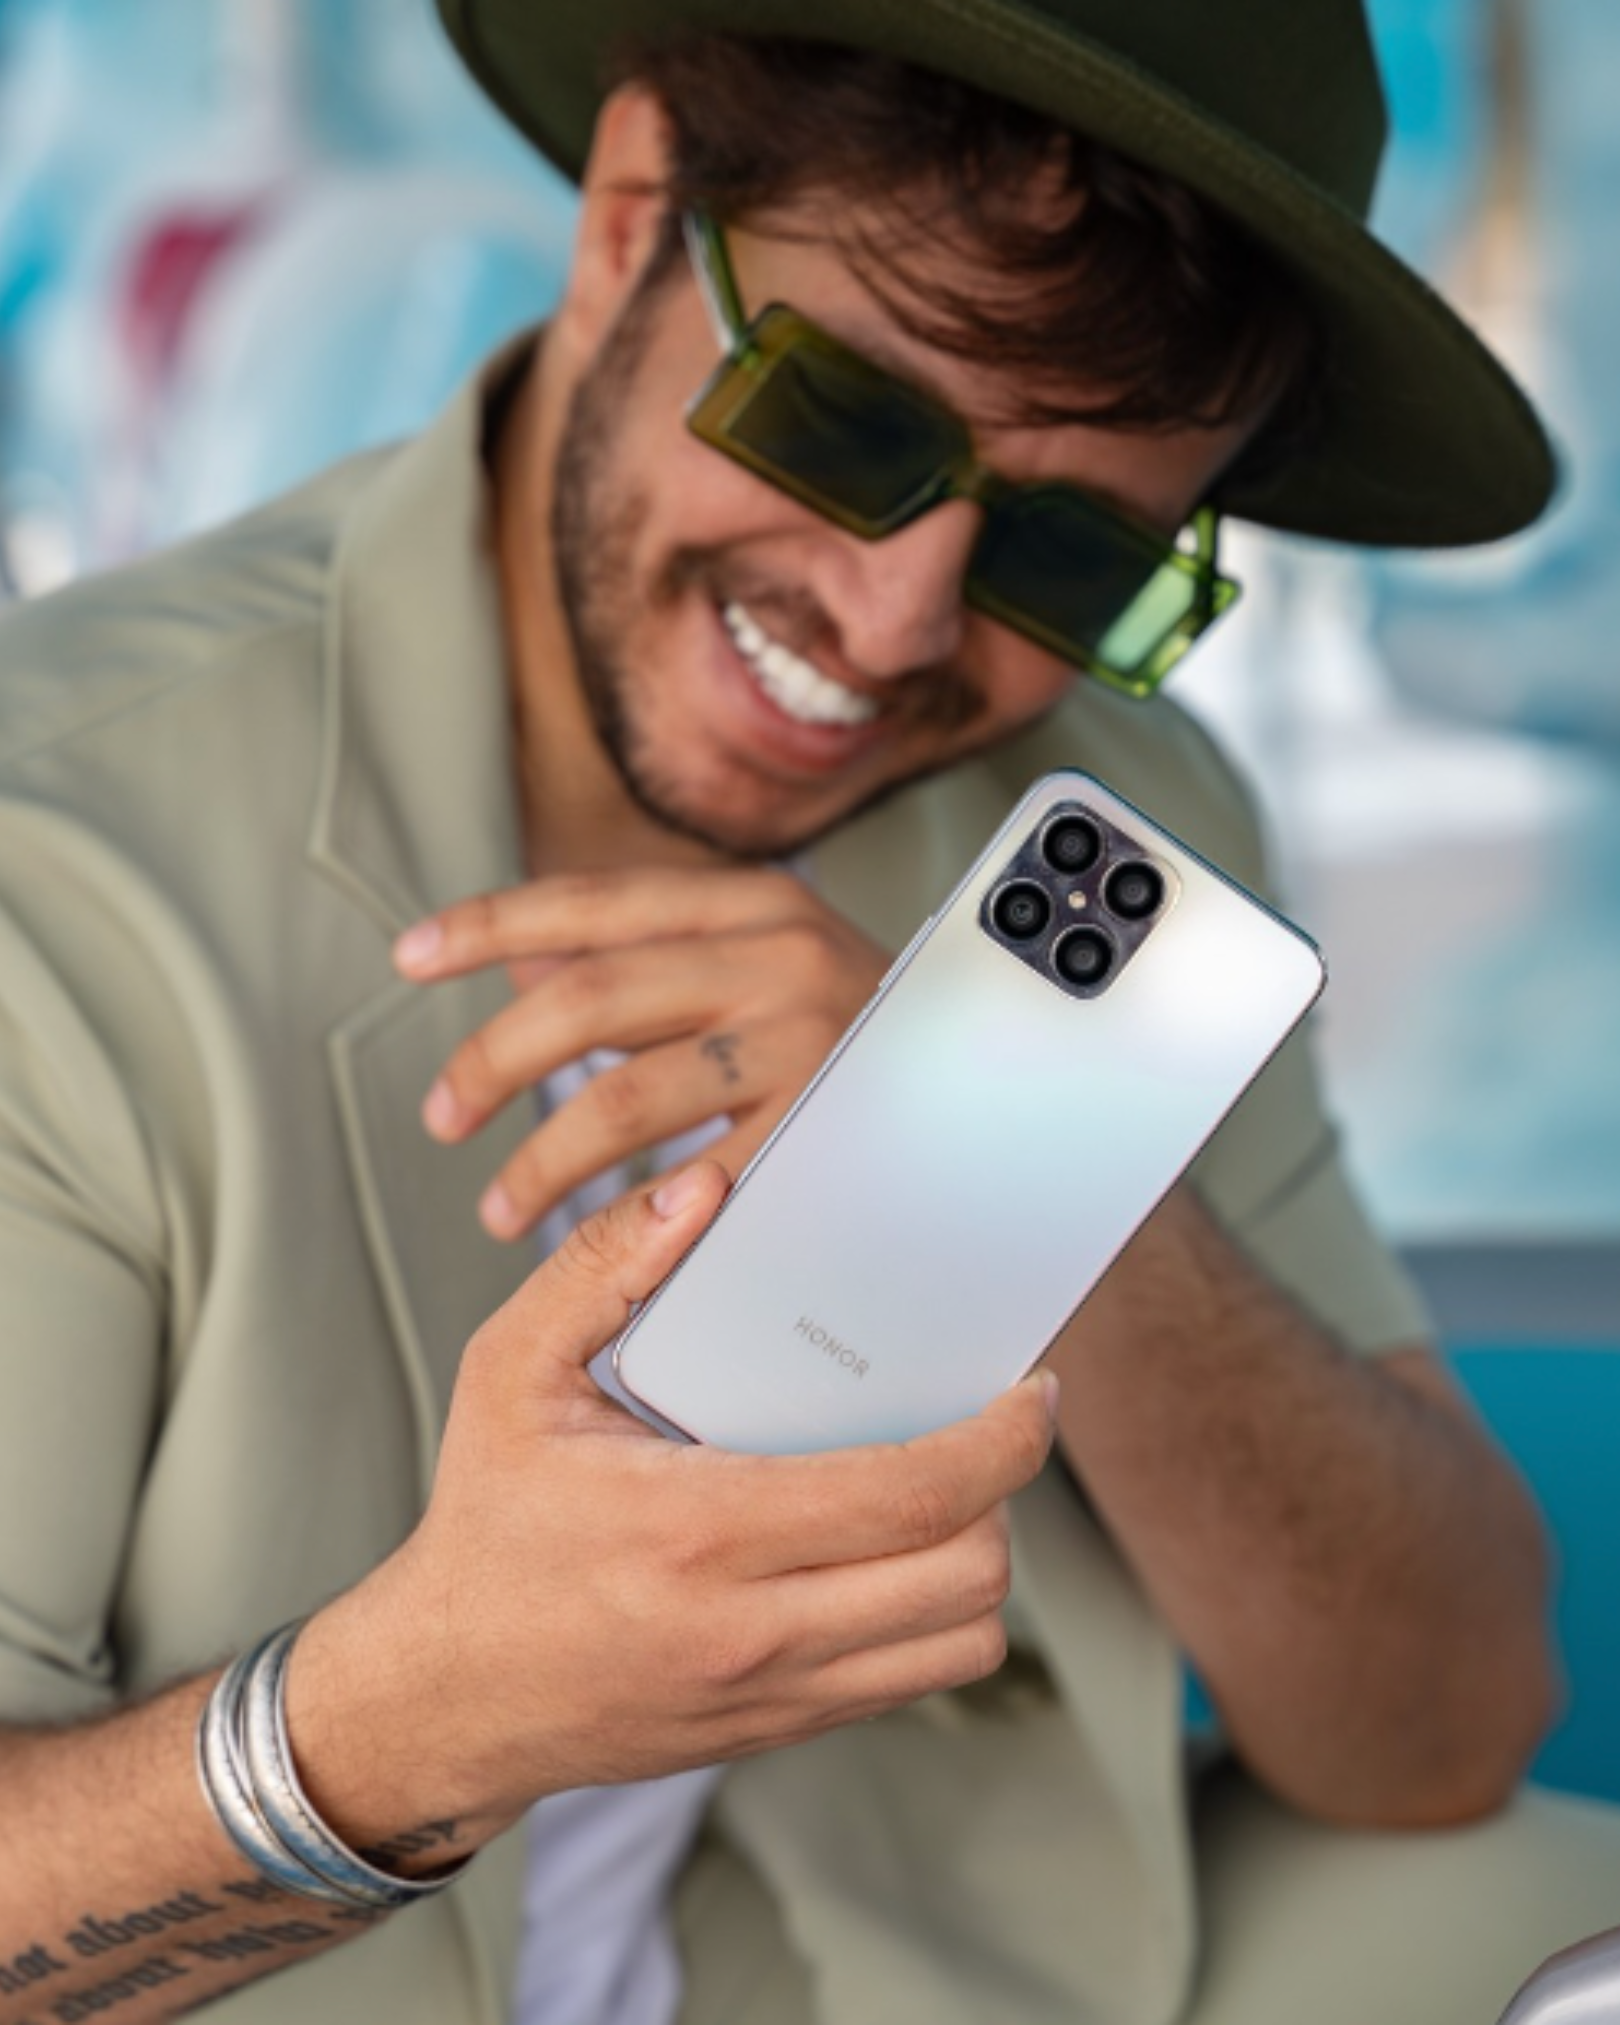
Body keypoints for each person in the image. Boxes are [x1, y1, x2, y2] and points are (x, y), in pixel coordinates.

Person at [1, 2, 1617, 2022]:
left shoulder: (1105, 826)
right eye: (846, 426)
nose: (897, 618)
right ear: (630, 214)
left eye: (1067, 556)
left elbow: (1434, 1730)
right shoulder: (50, 870)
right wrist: (416, 1720)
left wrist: (1025, 1162)